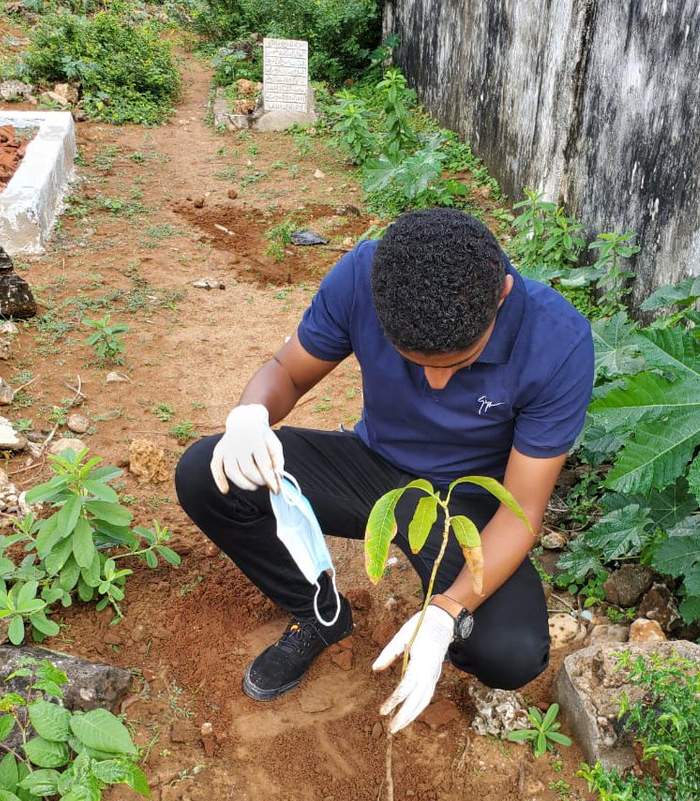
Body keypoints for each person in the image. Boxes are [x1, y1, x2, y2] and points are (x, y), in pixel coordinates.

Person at [175, 207, 594, 733]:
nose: (436, 386)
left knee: (507, 652)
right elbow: (287, 371)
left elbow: (523, 510)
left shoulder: (558, 343)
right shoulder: (362, 277)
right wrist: (251, 415)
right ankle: (317, 613)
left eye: (458, 365)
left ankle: (441, 636)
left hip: (465, 502)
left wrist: (446, 612)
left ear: (502, 296)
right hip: (370, 467)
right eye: (416, 363)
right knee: (208, 473)